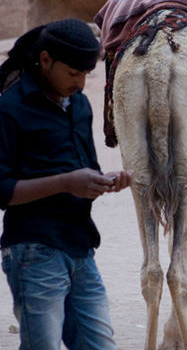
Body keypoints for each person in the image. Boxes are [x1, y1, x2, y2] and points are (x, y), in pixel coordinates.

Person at [0, 19, 133, 348]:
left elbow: (86, 169)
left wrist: (107, 181)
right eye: (73, 74)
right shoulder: (10, 108)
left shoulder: (81, 106)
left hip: (81, 249)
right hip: (34, 251)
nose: (81, 82)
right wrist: (66, 183)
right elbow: (1, 190)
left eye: (86, 74)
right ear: (45, 60)